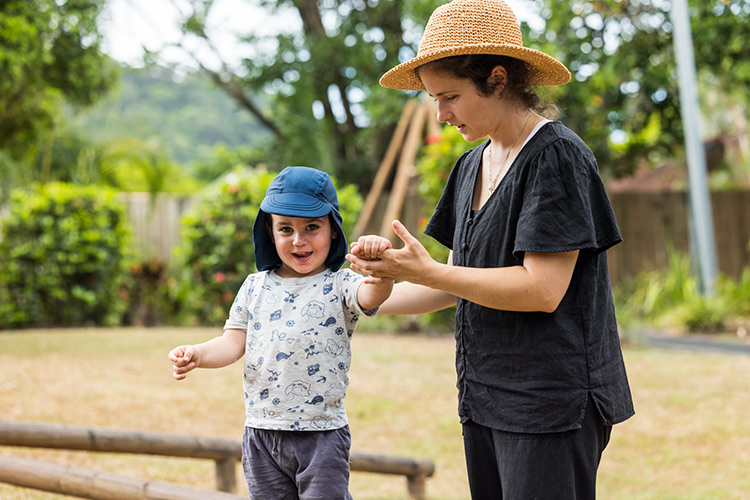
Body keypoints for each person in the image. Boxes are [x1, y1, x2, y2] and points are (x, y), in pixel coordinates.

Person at [347, 0, 634, 498]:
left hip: (549, 404)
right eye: (434, 99)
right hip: (484, 397)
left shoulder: (556, 157)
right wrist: (365, 295)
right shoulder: (470, 165)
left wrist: (427, 272)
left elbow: (541, 290)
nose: (441, 114)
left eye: (451, 96)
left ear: (498, 79)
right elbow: (462, 280)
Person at [169, 166, 393, 500]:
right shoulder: (254, 287)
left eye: (312, 227)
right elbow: (232, 342)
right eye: (285, 228)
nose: (299, 240)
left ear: (333, 230)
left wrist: (381, 269)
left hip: (321, 434)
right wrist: (198, 354)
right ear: (270, 233)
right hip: (261, 433)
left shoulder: (340, 283)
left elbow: (372, 296)